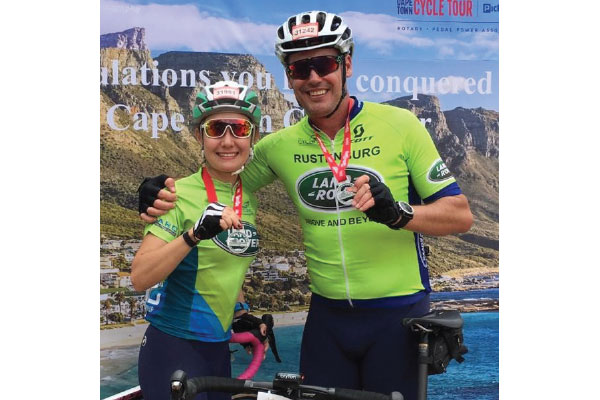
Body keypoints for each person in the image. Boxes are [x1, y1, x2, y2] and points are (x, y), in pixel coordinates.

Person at [138, 11, 473, 400]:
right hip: (328, 321)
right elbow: (221, 178)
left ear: (347, 64)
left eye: (324, 63)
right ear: (289, 77)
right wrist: (158, 191)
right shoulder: (278, 147)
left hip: (397, 316)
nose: (314, 78)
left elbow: (460, 215)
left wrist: (399, 214)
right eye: (300, 68)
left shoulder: (401, 125)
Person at [132, 81, 267, 400]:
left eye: (239, 128)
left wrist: (240, 313)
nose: (228, 141)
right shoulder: (176, 195)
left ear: (253, 137)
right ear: (199, 136)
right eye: (216, 128)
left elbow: (223, 263)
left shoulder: (248, 198)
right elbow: (140, 276)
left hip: (217, 351)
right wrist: (193, 235)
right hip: (173, 348)